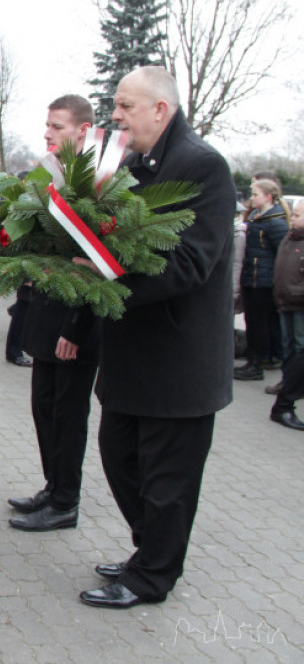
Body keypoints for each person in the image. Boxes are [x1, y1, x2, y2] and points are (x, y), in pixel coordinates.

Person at [77, 66, 235, 610]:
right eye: (115, 106)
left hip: (179, 363)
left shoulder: (203, 167)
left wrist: (104, 274)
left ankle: (153, 576)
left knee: (167, 482)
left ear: (160, 110)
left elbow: (190, 263)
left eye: (124, 105)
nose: (114, 115)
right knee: (119, 456)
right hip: (132, 357)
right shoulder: (125, 164)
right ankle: (152, 551)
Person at [8, 94, 100, 532]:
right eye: (46, 125)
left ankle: (66, 500)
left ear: (82, 130)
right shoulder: (51, 176)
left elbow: (96, 265)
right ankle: (53, 485)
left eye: (57, 127)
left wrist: (76, 327)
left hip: (75, 321)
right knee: (44, 406)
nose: (47, 134)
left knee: (68, 413)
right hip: (45, 310)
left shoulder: (100, 183)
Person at [234, 178, 288, 381]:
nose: (252, 198)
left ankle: (257, 364)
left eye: (255, 194)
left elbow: (282, 255)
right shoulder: (257, 218)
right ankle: (253, 360)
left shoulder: (275, 223)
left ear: (268, 197)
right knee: (253, 323)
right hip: (253, 280)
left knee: (260, 324)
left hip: (263, 284)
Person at [268, 202, 304, 407]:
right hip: (285, 302)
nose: (294, 218)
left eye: (298, 215)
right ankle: (287, 382)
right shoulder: (289, 239)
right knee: (288, 347)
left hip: (300, 304)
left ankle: (294, 387)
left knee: (301, 348)